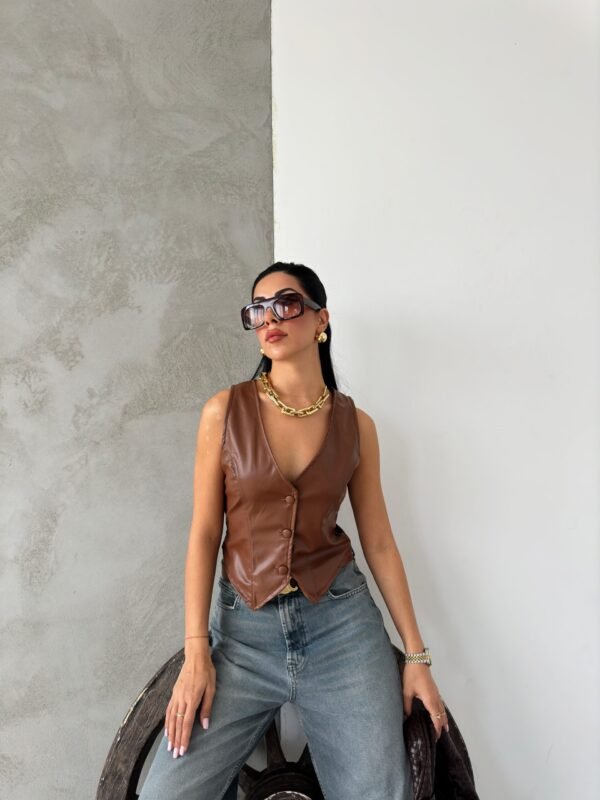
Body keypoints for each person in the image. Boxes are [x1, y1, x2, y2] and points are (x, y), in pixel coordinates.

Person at [139, 262, 448, 800]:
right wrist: (196, 651)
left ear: (321, 319)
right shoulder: (223, 411)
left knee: (381, 792)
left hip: (342, 629)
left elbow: (378, 542)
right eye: (257, 309)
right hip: (242, 635)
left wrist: (416, 657)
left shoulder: (358, 425)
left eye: (286, 303)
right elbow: (205, 533)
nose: (269, 318)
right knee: (167, 794)